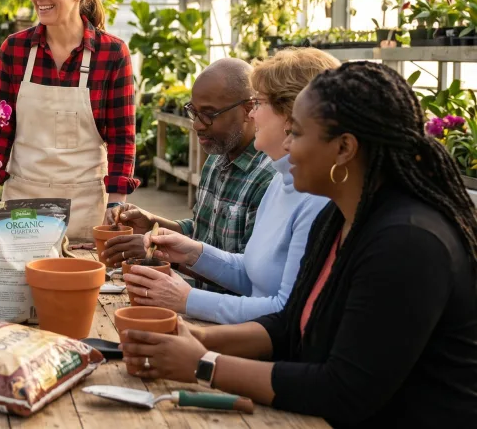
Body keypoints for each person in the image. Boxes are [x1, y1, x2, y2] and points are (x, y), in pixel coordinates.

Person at [120, 62, 477, 426]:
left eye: (297, 133)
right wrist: (194, 336)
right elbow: (290, 323)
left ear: (344, 148)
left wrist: (204, 364)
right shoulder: (338, 217)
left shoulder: (407, 242)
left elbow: (344, 390)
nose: (287, 146)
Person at [123, 49, 337, 323]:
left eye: (258, 104)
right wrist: (192, 252)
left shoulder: (314, 197)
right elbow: (250, 273)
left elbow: (287, 313)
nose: (253, 114)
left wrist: (187, 299)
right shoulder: (280, 179)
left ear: (292, 115)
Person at [0, 0, 137, 241]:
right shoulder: (15, 49)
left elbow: (122, 137)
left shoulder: (112, 53)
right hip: (22, 203)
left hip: (83, 207)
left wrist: (116, 205)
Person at [102, 58, 275, 270]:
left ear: (248, 109)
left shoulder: (268, 180)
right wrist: (153, 223)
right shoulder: (216, 160)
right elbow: (203, 233)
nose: (197, 125)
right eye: (194, 111)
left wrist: (157, 251)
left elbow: (246, 274)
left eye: (208, 114)